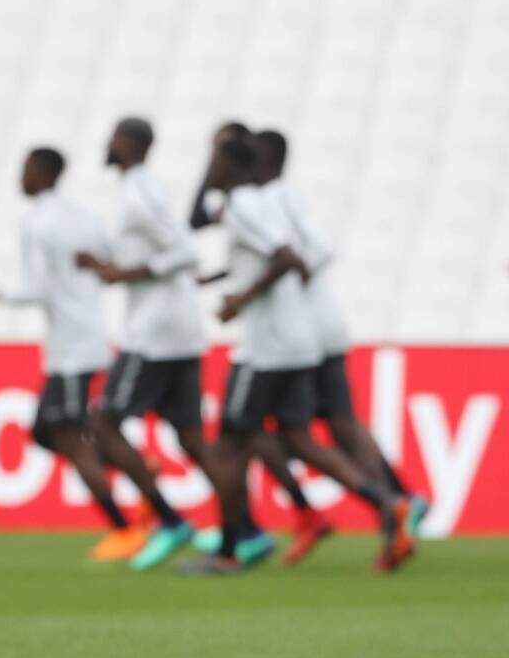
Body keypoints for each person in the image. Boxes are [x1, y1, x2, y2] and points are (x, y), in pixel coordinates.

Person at [178, 137, 412, 575]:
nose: (208, 167)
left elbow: (286, 258)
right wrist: (224, 281)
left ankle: (228, 552)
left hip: (268, 347)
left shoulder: (244, 205)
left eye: (213, 159)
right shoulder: (259, 203)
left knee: (229, 445)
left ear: (229, 165)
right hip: (296, 340)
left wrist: (240, 300)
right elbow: (282, 254)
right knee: (298, 438)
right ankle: (387, 504)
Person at [0, 146, 171, 562]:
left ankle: (124, 529)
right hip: (86, 337)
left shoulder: (37, 222)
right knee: (44, 432)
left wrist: (1, 295)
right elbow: (110, 262)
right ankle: (137, 466)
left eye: (26, 169)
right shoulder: (85, 218)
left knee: (67, 435)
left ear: (42, 172)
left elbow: (38, 287)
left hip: (70, 347)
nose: (22, 177)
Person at [255, 129, 429, 561]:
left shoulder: (271, 199)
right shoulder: (275, 198)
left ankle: (376, 506)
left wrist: (296, 272)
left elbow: (320, 248)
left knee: (267, 431)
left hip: (303, 332)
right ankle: (397, 502)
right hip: (318, 327)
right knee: (339, 424)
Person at [77, 118, 208, 570]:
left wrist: (122, 274)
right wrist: (108, 266)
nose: (107, 143)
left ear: (129, 144)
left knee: (105, 425)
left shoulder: (138, 194)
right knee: (190, 435)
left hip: (155, 333)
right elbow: (164, 253)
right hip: (177, 327)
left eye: (113, 136)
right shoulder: (143, 188)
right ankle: (242, 529)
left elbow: (185, 253)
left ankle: (171, 521)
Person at [188, 121, 250, 229]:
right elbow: (195, 222)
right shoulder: (217, 199)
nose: (212, 162)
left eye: (217, 153)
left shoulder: (246, 203)